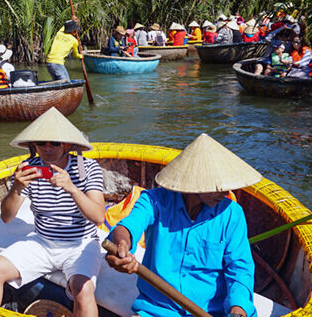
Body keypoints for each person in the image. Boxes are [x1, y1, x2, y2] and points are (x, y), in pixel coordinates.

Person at [105, 133, 260, 317]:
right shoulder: (154, 201)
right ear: (194, 183)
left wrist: (238, 309)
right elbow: (127, 227)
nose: (225, 192)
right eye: (217, 186)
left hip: (212, 312)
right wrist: (122, 245)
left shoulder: (232, 214)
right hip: (158, 310)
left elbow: (240, 268)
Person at [0, 108, 105, 317]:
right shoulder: (28, 169)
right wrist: (16, 188)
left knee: (83, 290)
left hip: (80, 243)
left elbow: (99, 217)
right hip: (42, 241)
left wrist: (72, 188)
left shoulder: (88, 168)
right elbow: (6, 217)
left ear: (67, 145)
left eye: (54, 142)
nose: (47, 148)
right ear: (34, 146)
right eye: (41, 143)